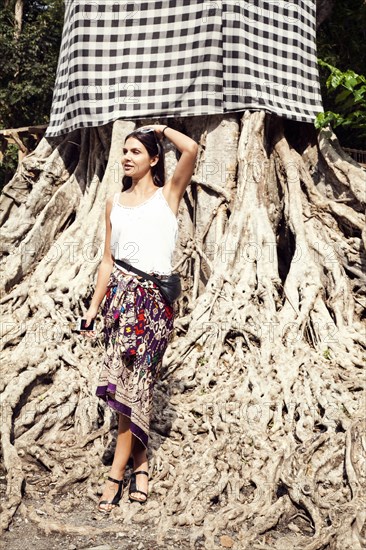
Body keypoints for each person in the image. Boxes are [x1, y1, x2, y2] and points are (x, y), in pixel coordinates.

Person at [83, 124, 198, 513]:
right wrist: (93, 307)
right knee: (123, 391)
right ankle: (141, 466)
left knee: (137, 386)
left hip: (154, 308)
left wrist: (161, 129)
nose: (127, 157)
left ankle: (115, 476)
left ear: (153, 159)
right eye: (124, 151)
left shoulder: (169, 195)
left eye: (136, 151)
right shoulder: (114, 202)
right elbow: (107, 261)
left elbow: (192, 149)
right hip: (119, 305)